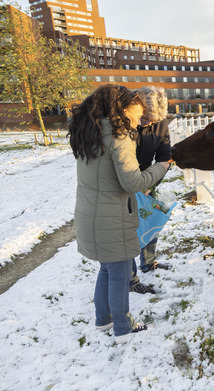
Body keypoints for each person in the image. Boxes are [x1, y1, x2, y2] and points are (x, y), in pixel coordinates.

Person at [68, 84, 170, 344]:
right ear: (121, 110)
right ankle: (123, 326)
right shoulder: (118, 137)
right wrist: (162, 166)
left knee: (107, 269)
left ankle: (103, 319)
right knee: (121, 273)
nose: (137, 122)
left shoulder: (89, 132)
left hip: (91, 213)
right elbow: (133, 183)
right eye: (135, 115)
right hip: (112, 217)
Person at [128, 86, 172, 295]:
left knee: (151, 220)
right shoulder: (125, 121)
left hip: (148, 182)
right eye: (146, 120)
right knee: (128, 231)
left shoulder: (160, 123)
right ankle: (130, 278)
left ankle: (149, 261)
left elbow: (165, 155)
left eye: (153, 121)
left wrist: (150, 184)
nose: (149, 124)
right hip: (124, 183)